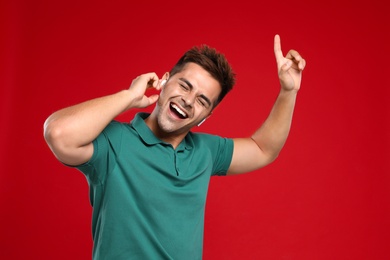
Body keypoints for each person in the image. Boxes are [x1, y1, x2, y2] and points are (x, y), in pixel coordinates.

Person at [44, 34, 306, 259]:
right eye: (184, 85)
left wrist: (288, 91)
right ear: (165, 80)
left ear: (206, 116)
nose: (189, 100)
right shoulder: (115, 141)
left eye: (202, 100)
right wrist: (129, 97)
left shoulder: (205, 152)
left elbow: (263, 149)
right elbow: (58, 133)